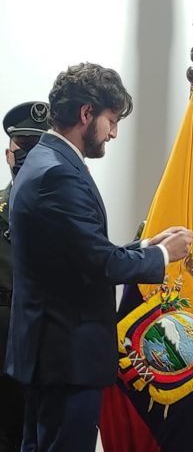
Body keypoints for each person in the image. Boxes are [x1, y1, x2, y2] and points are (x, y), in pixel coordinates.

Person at [5, 62, 193, 452]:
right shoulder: (59, 173)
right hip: (67, 360)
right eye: (112, 120)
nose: (114, 132)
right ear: (86, 113)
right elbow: (99, 263)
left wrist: (145, 245)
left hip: (49, 354)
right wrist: (163, 255)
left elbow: (78, 251)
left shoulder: (44, 161)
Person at [0, 102, 50, 452]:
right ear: (8, 154)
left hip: (49, 343)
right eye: (24, 146)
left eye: (38, 147)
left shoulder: (67, 210)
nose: (29, 156)